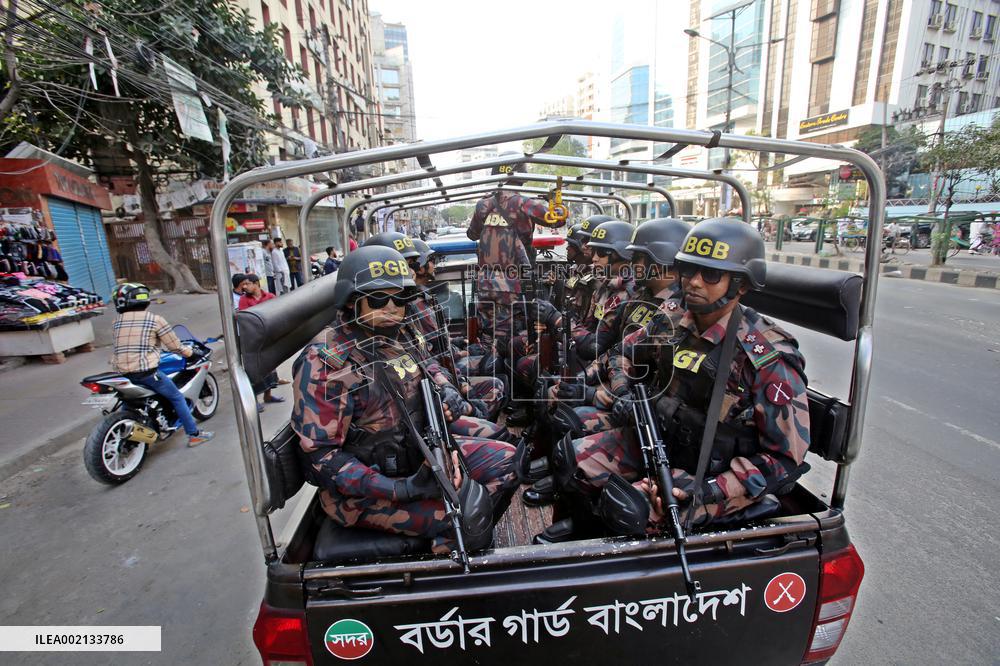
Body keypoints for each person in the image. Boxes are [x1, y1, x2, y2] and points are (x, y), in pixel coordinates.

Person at [535, 218, 811, 543]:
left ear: (741, 284)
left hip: (716, 475)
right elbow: (621, 354)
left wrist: (710, 488)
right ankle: (585, 530)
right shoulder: (673, 321)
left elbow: (784, 459)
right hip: (661, 441)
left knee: (630, 509)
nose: (693, 282)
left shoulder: (764, 355)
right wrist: (623, 393)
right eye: (688, 270)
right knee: (571, 459)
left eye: (710, 275)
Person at [290, 245, 520, 553]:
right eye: (378, 298)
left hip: (418, 453)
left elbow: (429, 365)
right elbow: (322, 460)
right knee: (467, 517)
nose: (392, 307)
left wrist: (446, 391)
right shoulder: (329, 365)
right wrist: (401, 489)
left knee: (509, 461)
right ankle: (444, 557)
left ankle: (461, 537)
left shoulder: (398, 335)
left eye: (400, 298)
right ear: (352, 301)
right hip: (363, 494)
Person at [110, 283, 214, 447]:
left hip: (121, 373)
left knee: (128, 402)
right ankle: (194, 435)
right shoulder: (155, 320)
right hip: (145, 373)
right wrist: (192, 353)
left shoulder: (117, 321)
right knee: (177, 397)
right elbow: (175, 347)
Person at [238, 275, 286, 410]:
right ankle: (254, 401)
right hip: (253, 341)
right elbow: (245, 319)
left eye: (247, 284)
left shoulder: (270, 297)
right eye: (243, 284)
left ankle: (268, 395)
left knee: (270, 368)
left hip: (269, 339)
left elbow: (278, 312)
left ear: (256, 284)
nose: (244, 287)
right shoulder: (243, 300)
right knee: (254, 371)